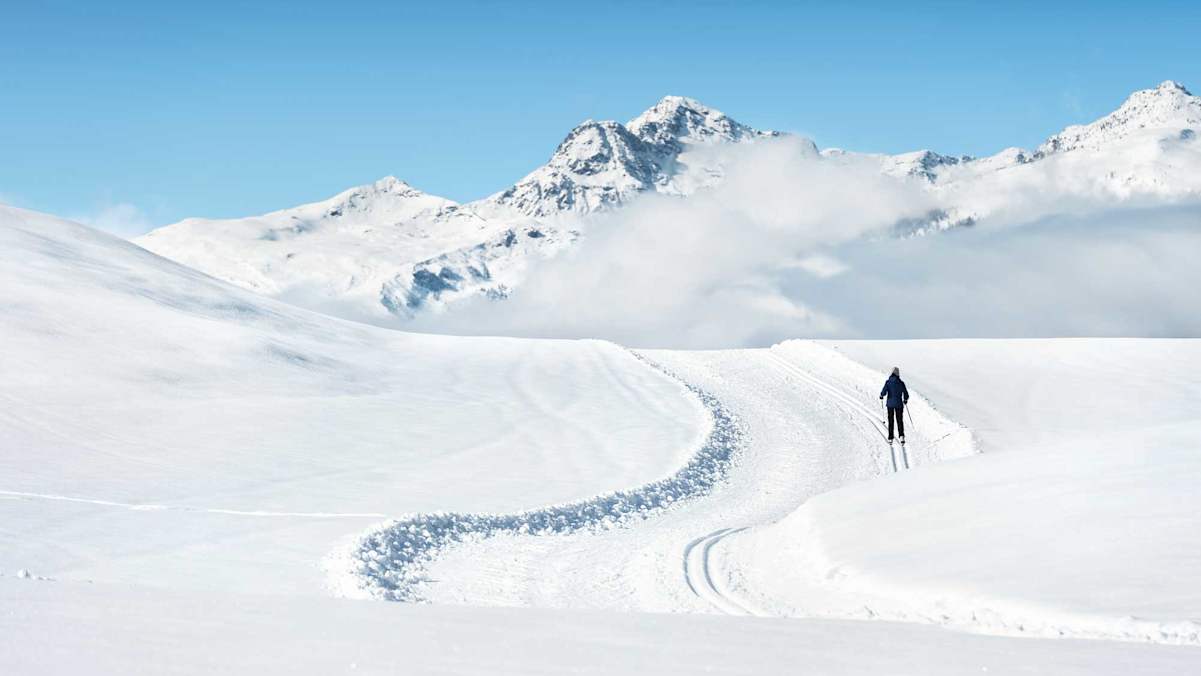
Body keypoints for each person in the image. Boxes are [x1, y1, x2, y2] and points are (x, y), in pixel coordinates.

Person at [879, 367, 909, 443]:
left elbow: (884, 392)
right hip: (899, 404)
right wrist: (905, 400)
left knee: (891, 421)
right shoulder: (901, 383)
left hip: (890, 405)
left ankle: (890, 437)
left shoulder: (888, 382)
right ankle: (901, 436)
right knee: (899, 420)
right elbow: (906, 393)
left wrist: (881, 395)